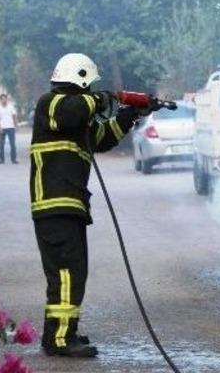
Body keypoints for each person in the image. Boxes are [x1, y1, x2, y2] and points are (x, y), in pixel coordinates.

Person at [30, 53, 147, 358]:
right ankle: (59, 339)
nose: (91, 92)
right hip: (54, 206)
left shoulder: (76, 122)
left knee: (73, 273)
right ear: (80, 78)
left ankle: (59, 333)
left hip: (69, 208)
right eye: (89, 85)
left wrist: (131, 114)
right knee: (67, 273)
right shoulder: (51, 104)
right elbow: (75, 109)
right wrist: (106, 97)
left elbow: (103, 137)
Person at [0, 94, 18, 164]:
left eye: (5, 99)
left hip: (11, 128)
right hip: (2, 128)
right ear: (0, 100)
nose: (4, 100)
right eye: (2, 99)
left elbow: (14, 116)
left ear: (7, 99)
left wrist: (16, 126)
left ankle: (13, 159)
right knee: (1, 145)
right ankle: (1, 159)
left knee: (12, 144)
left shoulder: (11, 107)